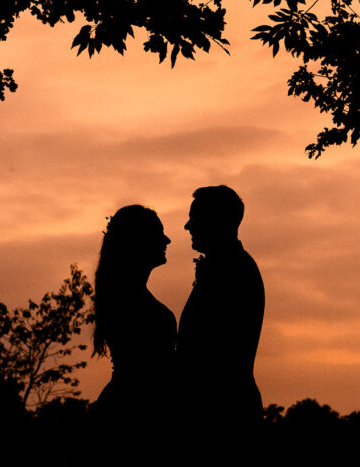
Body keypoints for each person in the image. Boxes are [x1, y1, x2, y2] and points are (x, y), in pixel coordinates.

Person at [176, 185, 265, 433]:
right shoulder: (226, 266)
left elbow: (211, 350)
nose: (187, 226)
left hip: (223, 412)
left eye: (195, 218)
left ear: (215, 221)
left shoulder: (233, 271)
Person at [90, 205, 176, 430]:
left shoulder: (123, 294)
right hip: (133, 412)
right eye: (159, 234)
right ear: (139, 241)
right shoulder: (128, 299)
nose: (167, 240)